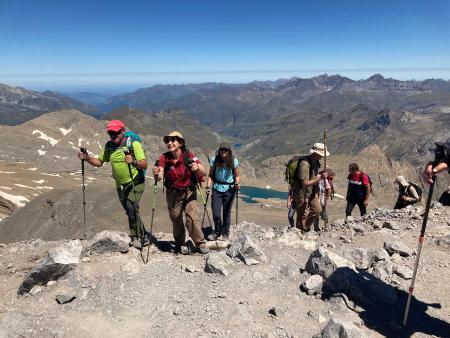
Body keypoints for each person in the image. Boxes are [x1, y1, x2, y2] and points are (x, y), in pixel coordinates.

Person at [77, 120, 148, 248]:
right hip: (120, 184)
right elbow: (99, 162)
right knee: (130, 210)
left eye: (116, 132)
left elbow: (144, 164)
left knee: (131, 207)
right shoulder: (109, 146)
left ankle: (137, 238)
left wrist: (133, 161)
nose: (113, 135)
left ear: (123, 131)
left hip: (136, 181)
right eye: (110, 132)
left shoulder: (133, 144)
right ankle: (144, 235)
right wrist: (87, 158)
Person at [153, 131, 209, 254]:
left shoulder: (189, 155)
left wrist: (197, 167)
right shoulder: (164, 157)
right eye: (167, 140)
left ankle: (200, 243)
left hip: (189, 191)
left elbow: (204, 173)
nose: (169, 143)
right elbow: (160, 175)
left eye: (173, 140)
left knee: (191, 217)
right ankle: (180, 244)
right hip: (173, 193)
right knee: (176, 219)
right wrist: (157, 174)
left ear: (181, 142)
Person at [205, 143, 240, 240]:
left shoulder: (234, 161)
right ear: (219, 150)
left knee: (226, 212)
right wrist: (208, 186)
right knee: (216, 213)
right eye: (221, 150)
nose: (223, 152)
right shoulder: (214, 160)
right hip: (216, 188)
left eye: (225, 150)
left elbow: (237, 176)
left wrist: (237, 183)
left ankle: (225, 233)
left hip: (229, 189)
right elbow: (211, 175)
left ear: (229, 151)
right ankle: (217, 232)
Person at [294, 143, 329, 234]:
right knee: (302, 214)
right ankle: (299, 232)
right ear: (316, 153)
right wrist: (320, 178)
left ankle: (305, 228)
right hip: (302, 191)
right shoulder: (304, 164)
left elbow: (313, 177)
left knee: (317, 210)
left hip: (313, 190)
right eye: (321, 154)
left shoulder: (316, 162)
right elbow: (305, 184)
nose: (322, 156)